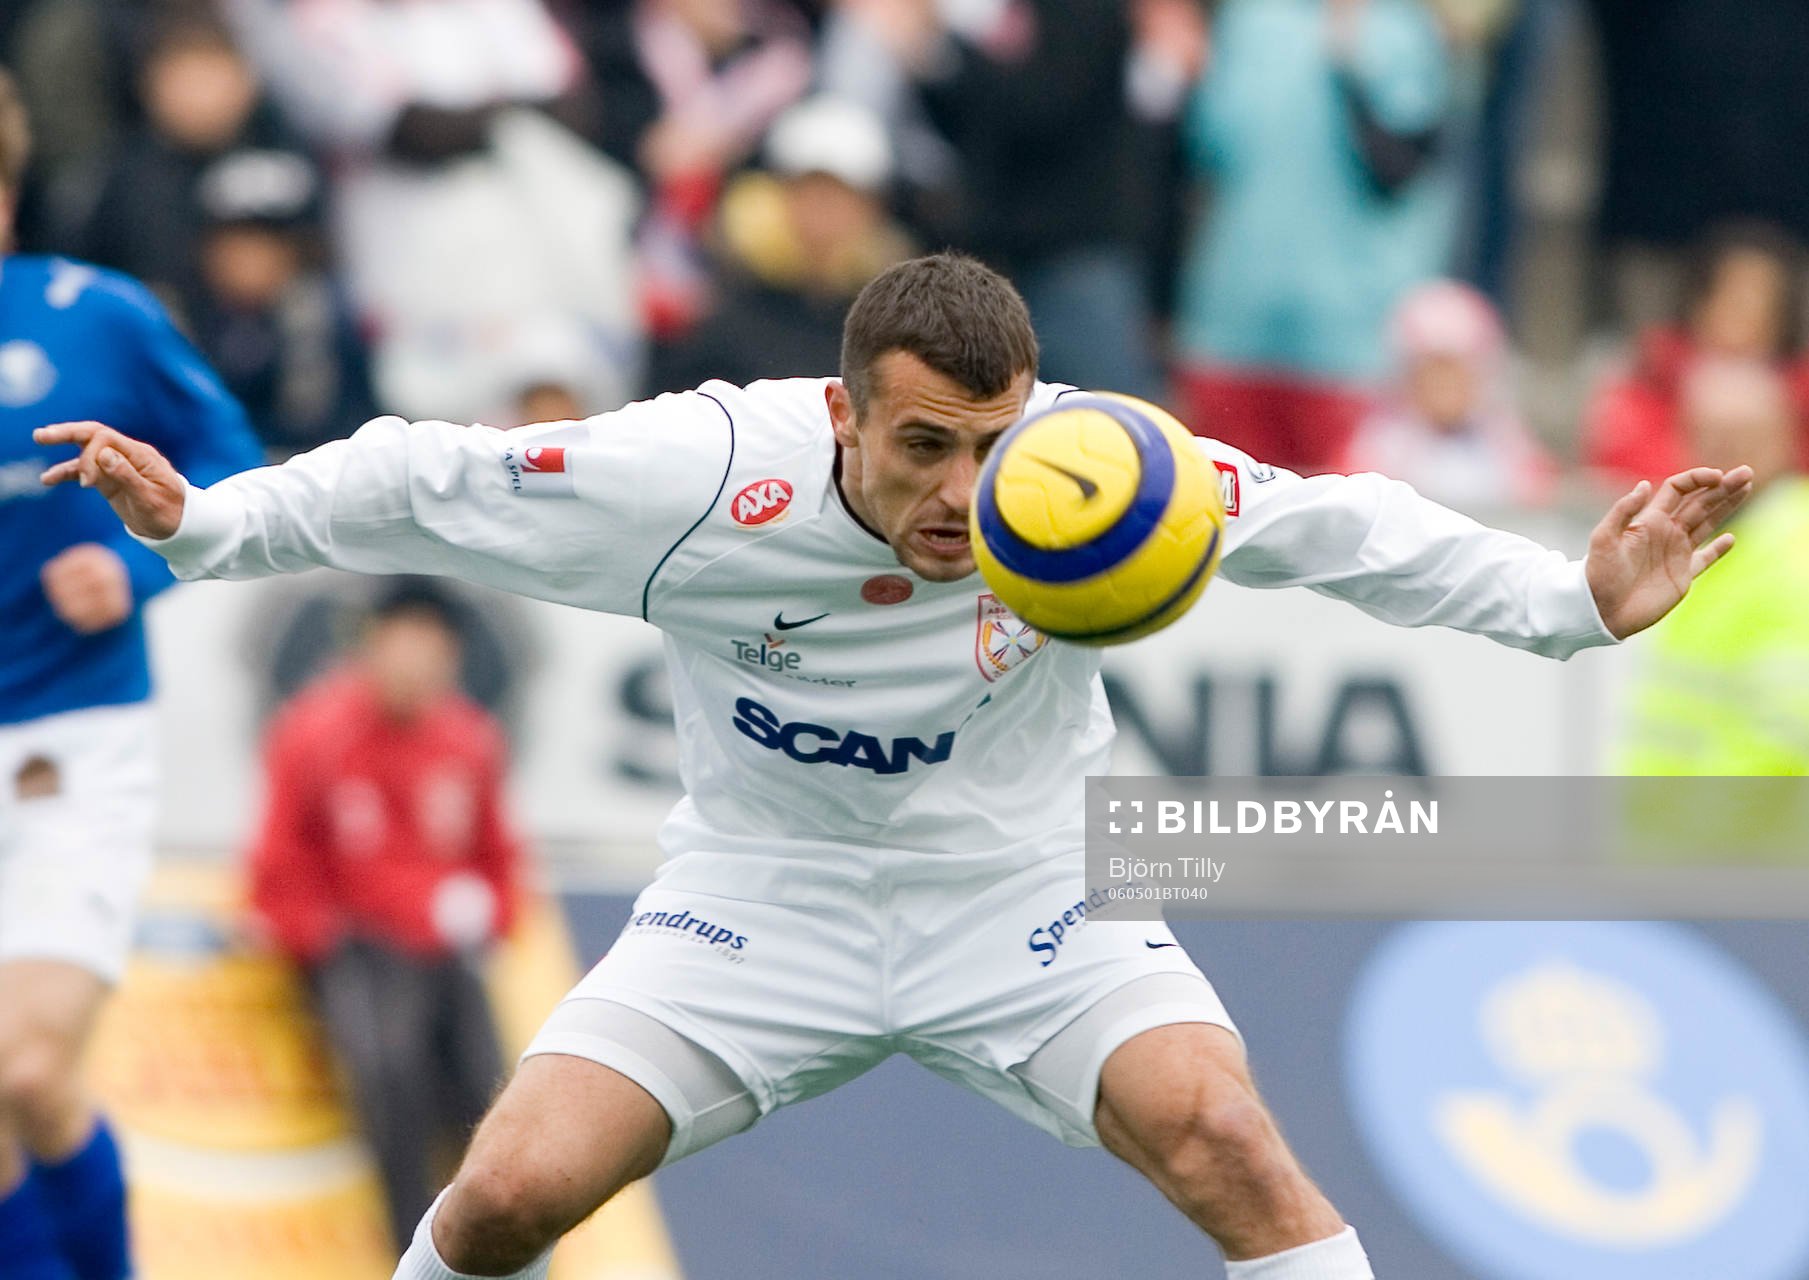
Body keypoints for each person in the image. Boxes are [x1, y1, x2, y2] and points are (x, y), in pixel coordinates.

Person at [40, 252, 1752, 1280]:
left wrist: (1564, 606)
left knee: (1223, 1135)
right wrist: (208, 526)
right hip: (756, 900)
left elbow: (1330, 526)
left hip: (1026, 892)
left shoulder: (1094, 472)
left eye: (988, 447)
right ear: (843, 413)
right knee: (501, 1197)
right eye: (924, 448)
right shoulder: (698, 474)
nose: (967, 497)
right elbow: (433, 479)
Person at [0, 70, 262, 1280]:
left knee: (24, 1069)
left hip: (68, 740)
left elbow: (231, 461)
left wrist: (132, 561)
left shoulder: (94, 315)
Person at [248, 578, 524, 1249]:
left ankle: (499, 1245)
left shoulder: (468, 741)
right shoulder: (315, 732)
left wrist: (489, 912)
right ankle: (413, 1248)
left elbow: (499, 856)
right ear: (371, 647)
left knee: (492, 1091)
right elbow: (279, 859)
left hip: (444, 950)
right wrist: (316, 937)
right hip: (358, 947)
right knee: (391, 1073)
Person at [1618, 358, 1809, 776]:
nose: (1721, 454)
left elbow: (1783, 736)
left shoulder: (1795, 551)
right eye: (1708, 434)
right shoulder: (1707, 534)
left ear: (1784, 438)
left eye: (1741, 436)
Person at [1584, 221, 1809, 485]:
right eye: (1737, 301)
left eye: (1768, 306)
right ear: (1699, 303)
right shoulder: (1648, 378)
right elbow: (1615, 475)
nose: (1752, 319)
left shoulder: (1799, 393)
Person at [1339, 278, 1555, 512]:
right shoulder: (1377, 450)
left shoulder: (1511, 451)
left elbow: (1542, 512)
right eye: (1432, 371)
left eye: (1456, 371)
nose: (1443, 386)